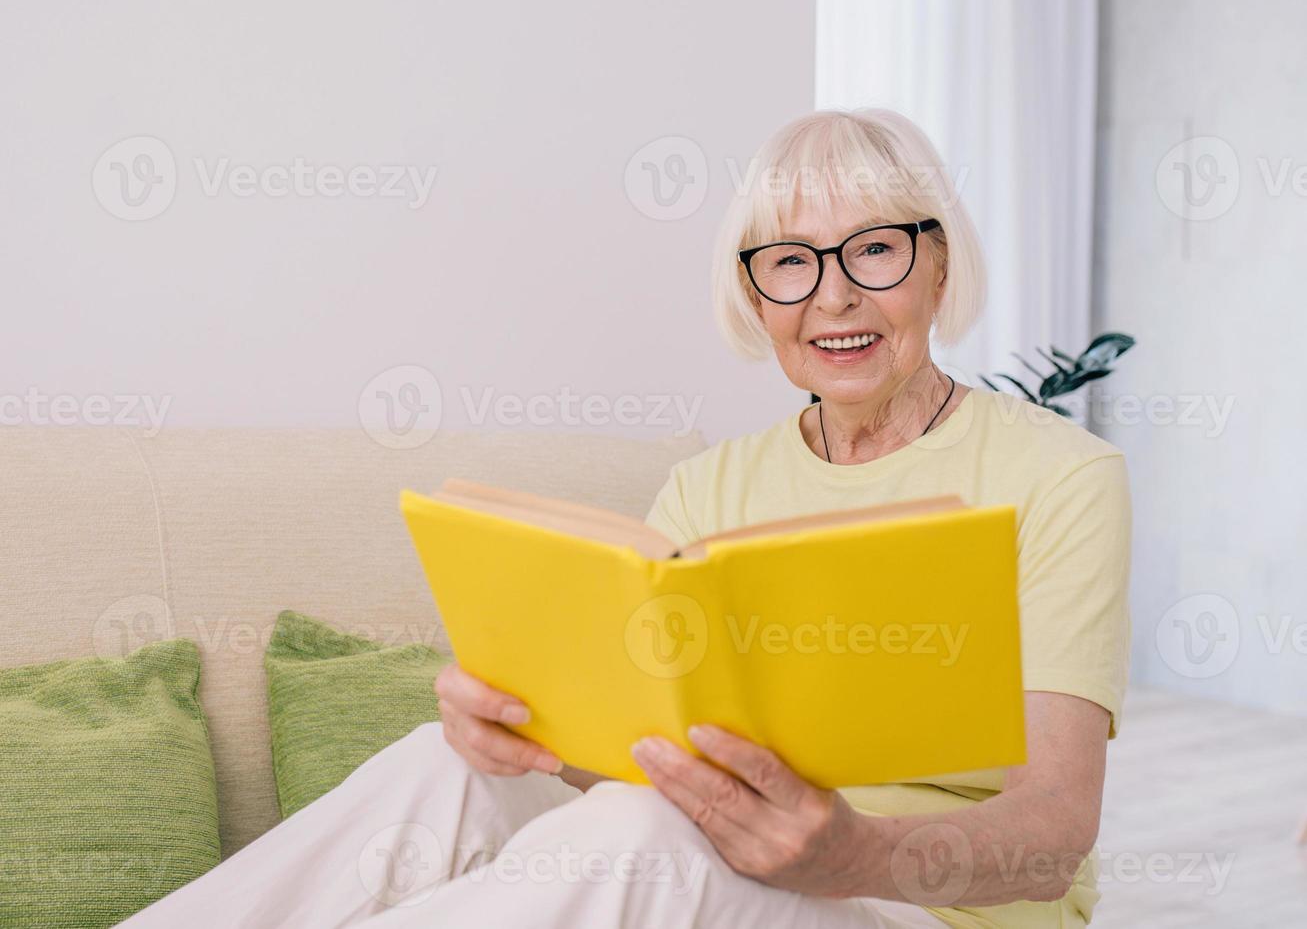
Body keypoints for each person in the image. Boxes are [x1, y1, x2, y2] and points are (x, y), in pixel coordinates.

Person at [123, 109, 1130, 928]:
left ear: (936, 267)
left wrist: (851, 852)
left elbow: (1051, 827)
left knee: (646, 837)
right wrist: (525, 733)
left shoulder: (1058, 476)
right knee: (447, 763)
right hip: (724, 865)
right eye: (789, 262)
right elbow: (636, 750)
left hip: (921, 911)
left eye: (872, 249)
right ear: (753, 291)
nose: (832, 297)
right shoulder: (709, 487)